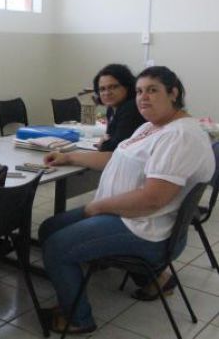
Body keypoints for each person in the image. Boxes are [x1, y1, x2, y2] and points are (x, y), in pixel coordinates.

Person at [38, 66, 214, 334]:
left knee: (56, 246)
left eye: (153, 90)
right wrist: (70, 156)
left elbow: (153, 199)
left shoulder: (179, 136)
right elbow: (114, 156)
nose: (143, 97)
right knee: (49, 227)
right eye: (140, 91)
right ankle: (154, 280)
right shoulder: (152, 126)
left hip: (145, 226)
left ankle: (78, 318)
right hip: (129, 214)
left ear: (173, 93)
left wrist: (97, 206)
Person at [93, 63, 145, 151]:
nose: (107, 93)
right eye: (102, 89)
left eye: (113, 87)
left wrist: (104, 144)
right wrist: (106, 143)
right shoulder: (112, 108)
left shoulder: (131, 108)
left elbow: (115, 148)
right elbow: (109, 138)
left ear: (127, 86)